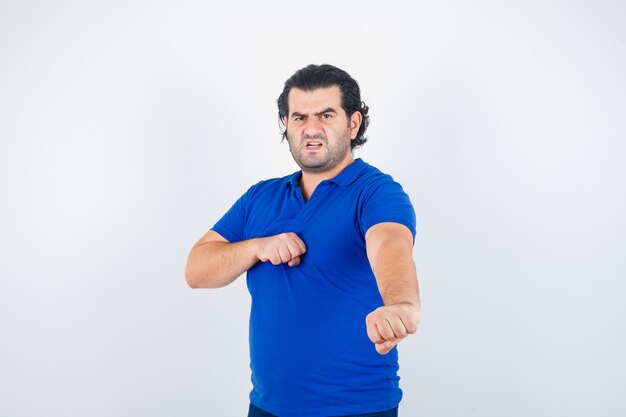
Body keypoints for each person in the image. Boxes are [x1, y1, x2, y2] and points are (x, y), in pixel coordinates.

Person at [185, 64, 420, 417]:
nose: (311, 129)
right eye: (299, 117)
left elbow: (390, 245)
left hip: (357, 409)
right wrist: (257, 246)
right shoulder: (260, 198)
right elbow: (196, 270)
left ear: (353, 123)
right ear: (286, 124)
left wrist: (401, 304)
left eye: (326, 115)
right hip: (266, 407)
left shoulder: (376, 193)